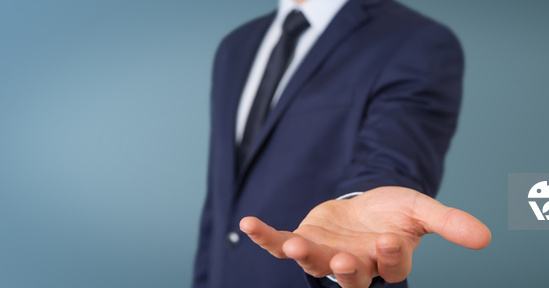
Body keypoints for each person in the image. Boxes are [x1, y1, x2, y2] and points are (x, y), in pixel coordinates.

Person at [192, 0, 491, 287]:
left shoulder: (417, 40)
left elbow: (393, 157)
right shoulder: (235, 46)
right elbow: (220, 200)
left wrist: (361, 212)